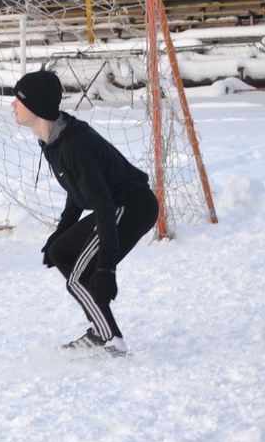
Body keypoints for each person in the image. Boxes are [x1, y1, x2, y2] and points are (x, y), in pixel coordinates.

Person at [11, 69, 159, 358]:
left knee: (78, 278)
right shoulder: (54, 140)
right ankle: (101, 330)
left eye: (18, 99)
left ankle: (111, 341)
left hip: (130, 206)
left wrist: (106, 268)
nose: (12, 105)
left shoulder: (73, 145)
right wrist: (60, 232)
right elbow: (77, 191)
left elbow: (103, 204)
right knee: (61, 252)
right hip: (118, 205)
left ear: (37, 106)